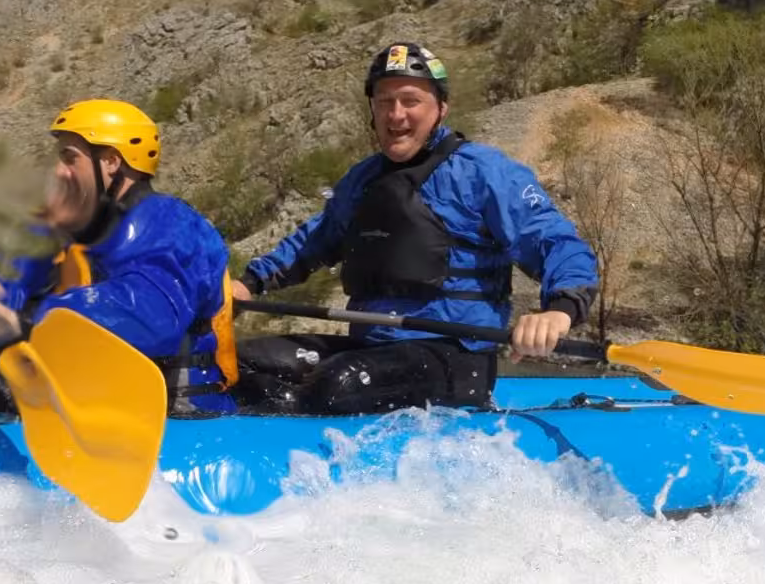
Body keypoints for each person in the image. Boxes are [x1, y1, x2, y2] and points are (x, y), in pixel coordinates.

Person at [229, 41, 599, 415]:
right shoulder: (362, 180)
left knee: (335, 384)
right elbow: (313, 240)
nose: (396, 114)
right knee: (232, 362)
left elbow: (555, 240)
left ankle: (294, 419)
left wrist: (559, 311)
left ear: (440, 108)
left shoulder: (484, 173)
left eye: (410, 100)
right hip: (372, 351)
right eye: (384, 102)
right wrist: (247, 285)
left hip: (454, 356)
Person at [0, 98, 239, 416]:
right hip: (102, 394)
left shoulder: (169, 225)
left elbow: (151, 318)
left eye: (70, 158)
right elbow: (12, 290)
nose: (58, 171)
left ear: (112, 162)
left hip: (175, 415)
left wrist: (33, 321)